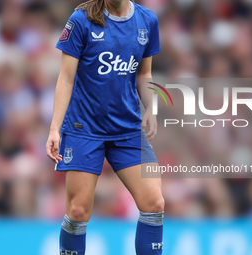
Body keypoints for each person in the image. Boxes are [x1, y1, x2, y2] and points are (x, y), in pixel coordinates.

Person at [45, 0, 164, 254]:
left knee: (154, 203)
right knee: (78, 211)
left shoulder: (147, 20)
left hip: (127, 128)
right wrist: (55, 128)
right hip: (84, 127)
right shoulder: (81, 19)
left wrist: (151, 109)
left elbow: (144, 74)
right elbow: (66, 78)